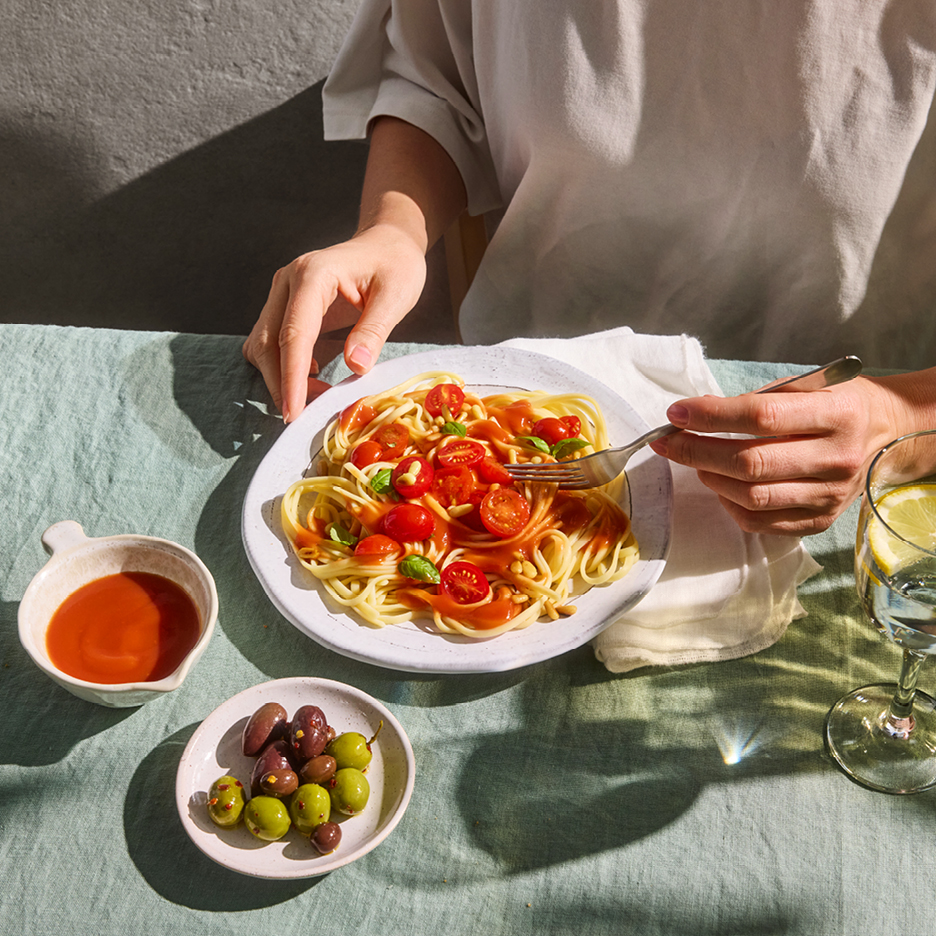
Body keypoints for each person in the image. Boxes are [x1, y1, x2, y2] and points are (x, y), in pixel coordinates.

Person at [244, 0, 936, 536]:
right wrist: (393, 230)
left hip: (860, 480)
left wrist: (897, 427)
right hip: (524, 394)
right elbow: (435, 82)